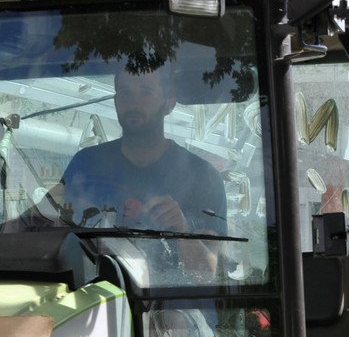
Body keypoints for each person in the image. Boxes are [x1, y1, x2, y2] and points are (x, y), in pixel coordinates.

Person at [60, 65, 227, 237]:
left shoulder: (203, 178)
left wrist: (181, 229)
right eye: (125, 92)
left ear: (169, 103)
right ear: (116, 101)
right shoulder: (85, 164)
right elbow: (50, 233)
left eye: (146, 91)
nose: (134, 103)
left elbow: (210, 263)